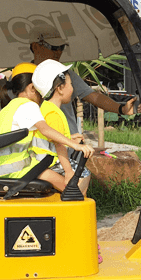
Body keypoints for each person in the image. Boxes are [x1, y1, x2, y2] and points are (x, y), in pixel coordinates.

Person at [0, 62, 94, 192]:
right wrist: (75, 146)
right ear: (32, 88)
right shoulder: (28, 105)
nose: (43, 96)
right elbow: (45, 130)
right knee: (74, 189)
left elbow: (37, 136)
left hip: (0, 168)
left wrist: (68, 138)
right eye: (40, 91)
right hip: (16, 169)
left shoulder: (9, 108)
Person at [29, 25, 138, 138]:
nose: (59, 52)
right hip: (41, 148)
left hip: (69, 144)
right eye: (54, 47)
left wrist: (122, 109)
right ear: (36, 46)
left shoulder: (66, 74)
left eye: (61, 47)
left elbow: (94, 97)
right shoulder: (22, 78)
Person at [31, 59, 91, 195]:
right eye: (70, 84)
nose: (73, 89)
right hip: (49, 160)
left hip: (41, 158)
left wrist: (69, 138)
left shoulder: (45, 108)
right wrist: (68, 171)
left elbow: (51, 137)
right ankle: (75, 202)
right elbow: (59, 145)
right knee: (84, 174)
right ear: (60, 88)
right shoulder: (54, 113)